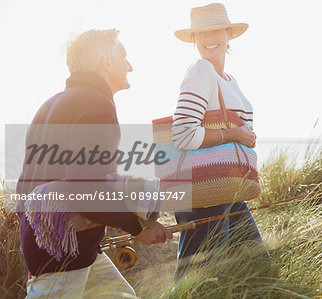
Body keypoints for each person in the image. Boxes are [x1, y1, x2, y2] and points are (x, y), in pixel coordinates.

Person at [16, 29, 172, 298]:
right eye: (124, 57)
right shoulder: (96, 104)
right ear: (107, 62)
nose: (130, 66)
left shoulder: (51, 104)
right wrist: (138, 227)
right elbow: (86, 189)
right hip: (61, 252)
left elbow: (26, 187)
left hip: (67, 247)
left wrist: (36, 237)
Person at [171, 3, 266, 279]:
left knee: (257, 267)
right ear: (193, 39)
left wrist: (245, 136)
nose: (209, 38)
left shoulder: (229, 80)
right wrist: (234, 134)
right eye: (201, 33)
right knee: (197, 278)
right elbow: (183, 134)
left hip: (228, 187)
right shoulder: (201, 70)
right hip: (204, 191)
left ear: (228, 34)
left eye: (215, 30)